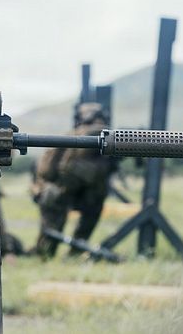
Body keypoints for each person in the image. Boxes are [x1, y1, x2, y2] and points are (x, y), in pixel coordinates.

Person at [31, 101, 114, 258]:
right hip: (84, 196)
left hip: (63, 193)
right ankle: (74, 253)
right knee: (89, 213)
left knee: (50, 226)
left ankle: (46, 254)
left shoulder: (71, 136)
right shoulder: (110, 137)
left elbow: (46, 170)